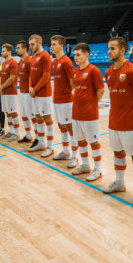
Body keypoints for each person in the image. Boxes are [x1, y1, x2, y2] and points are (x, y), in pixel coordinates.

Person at [104, 36, 133, 208]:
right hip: (113, 122)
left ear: (123, 50)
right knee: (118, 152)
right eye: (108, 48)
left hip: (130, 124)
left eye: (113, 48)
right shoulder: (108, 72)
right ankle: (119, 182)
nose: (109, 51)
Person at [69, 43, 105, 181]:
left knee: (93, 142)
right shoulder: (75, 71)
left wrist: (92, 104)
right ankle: (85, 165)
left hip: (90, 114)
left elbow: (101, 90)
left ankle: (97, 169)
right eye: (74, 55)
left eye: (78, 55)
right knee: (80, 140)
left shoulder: (94, 70)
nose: (75, 57)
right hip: (76, 112)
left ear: (86, 55)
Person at [50, 35, 78, 167]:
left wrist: (66, 93)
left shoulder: (66, 62)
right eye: (51, 44)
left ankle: (75, 156)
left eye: (54, 44)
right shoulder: (54, 62)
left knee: (70, 127)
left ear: (61, 46)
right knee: (61, 125)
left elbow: (73, 82)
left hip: (66, 100)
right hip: (56, 99)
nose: (51, 46)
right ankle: (66, 152)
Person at [28, 34, 54, 157]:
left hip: (44, 94)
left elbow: (46, 76)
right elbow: (31, 74)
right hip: (35, 93)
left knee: (47, 119)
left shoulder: (45, 56)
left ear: (39, 43)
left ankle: (50, 147)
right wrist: (30, 87)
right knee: (38, 118)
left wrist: (35, 89)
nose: (31, 47)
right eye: (30, 45)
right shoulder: (33, 57)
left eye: (33, 44)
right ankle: (41, 143)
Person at [0, 43, 21, 141]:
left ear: (9, 51)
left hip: (11, 92)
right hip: (4, 92)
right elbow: (2, 77)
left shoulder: (13, 63)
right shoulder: (4, 63)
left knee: (13, 112)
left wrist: (2, 87)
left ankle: (17, 133)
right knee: (7, 112)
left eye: (3, 51)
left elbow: (12, 78)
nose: (1, 53)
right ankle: (11, 131)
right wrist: (0, 87)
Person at [16, 40, 36, 144]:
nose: (16, 50)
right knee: (24, 115)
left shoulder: (29, 60)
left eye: (18, 48)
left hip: (28, 94)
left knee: (32, 116)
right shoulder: (21, 61)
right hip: (22, 92)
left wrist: (31, 88)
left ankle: (38, 138)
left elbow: (33, 76)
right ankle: (28, 136)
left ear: (24, 49)